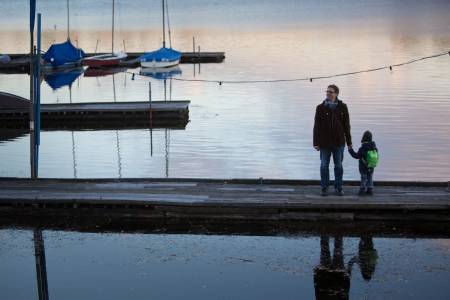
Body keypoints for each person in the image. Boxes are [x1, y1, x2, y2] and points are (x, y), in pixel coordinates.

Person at [313, 84, 352, 196]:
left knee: (338, 166)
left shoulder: (343, 107)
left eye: (331, 92)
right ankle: (324, 187)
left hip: (339, 142)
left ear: (336, 93)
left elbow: (347, 126)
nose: (328, 93)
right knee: (324, 166)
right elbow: (316, 126)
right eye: (327, 91)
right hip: (324, 143)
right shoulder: (320, 108)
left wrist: (349, 142)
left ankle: (338, 187)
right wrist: (315, 142)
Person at [348, 131, 378, 195]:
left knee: (363, 177)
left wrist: (350, 150)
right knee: (370, 177)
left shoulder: (363, 148)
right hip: (371, 165)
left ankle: (362, 190)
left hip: (363, 167)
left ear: (363, 138)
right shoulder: (374, 147)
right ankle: (370, 190)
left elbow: (356, 156)